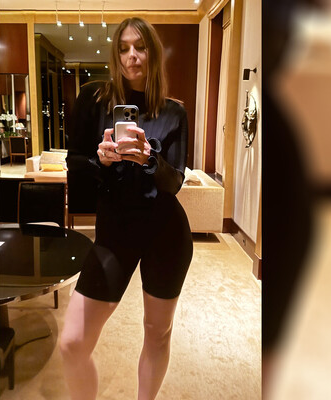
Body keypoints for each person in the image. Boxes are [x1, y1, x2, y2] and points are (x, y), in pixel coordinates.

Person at [60, 17, 193, 400]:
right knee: (72, 343)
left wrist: (150, 158)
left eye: (140, 47)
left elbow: (175, 182)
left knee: (157, 332)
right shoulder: (94, 99)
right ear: (115, 54)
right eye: (123, 48)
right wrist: (100, 160)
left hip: (165, 233)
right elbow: (74, 162)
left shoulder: (174, 113)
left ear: (153, 53)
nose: (131, 56)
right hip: (115, 232)